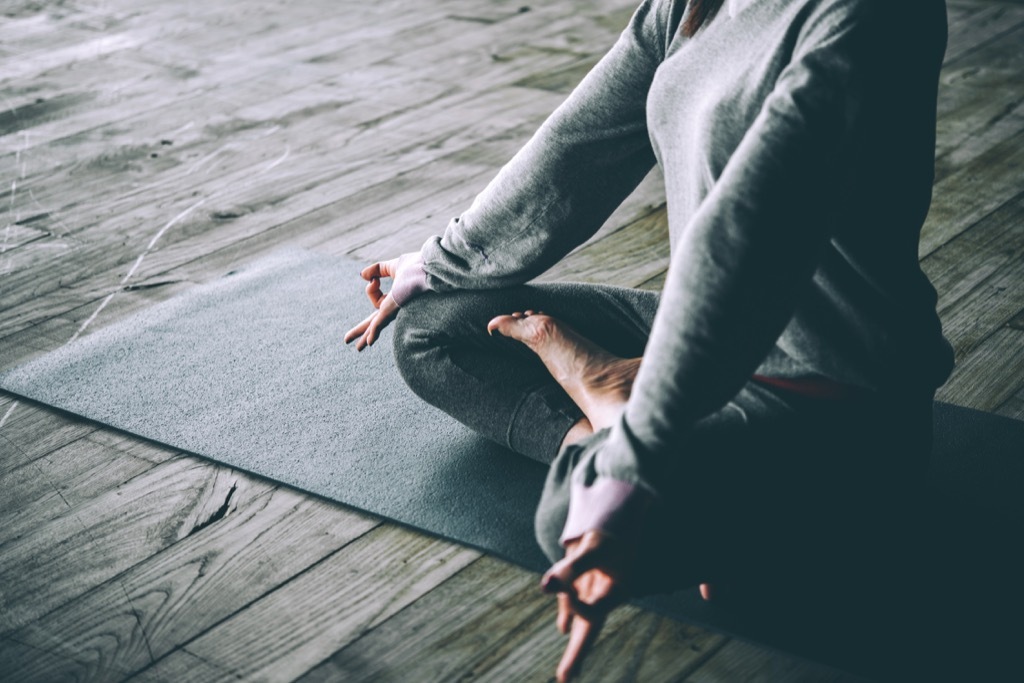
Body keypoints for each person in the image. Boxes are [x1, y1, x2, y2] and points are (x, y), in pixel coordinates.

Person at [345, 0, 954, 679]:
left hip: (832, 399)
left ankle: (617, 412)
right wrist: (437, 263)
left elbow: (745, 236)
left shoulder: (870, 17)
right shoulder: (689, 6)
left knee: (566, 518)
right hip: (692, 331)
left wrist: (630, 471)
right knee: (430, 330)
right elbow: (576, 149)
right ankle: (619, 420)